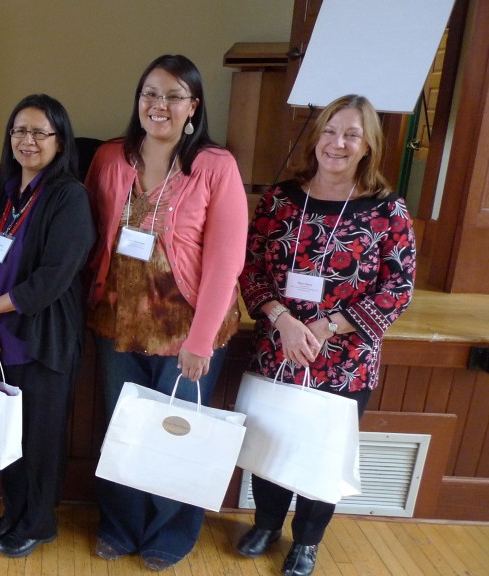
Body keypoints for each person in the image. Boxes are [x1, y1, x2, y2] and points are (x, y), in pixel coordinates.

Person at [236, 94, 416, 576]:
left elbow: (397, 289)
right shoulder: (279, 200)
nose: (337, 143)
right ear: (316, 137)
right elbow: (249, 269)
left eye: (351, 134)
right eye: (331, 131)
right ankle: (267, 523)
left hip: (346, 357)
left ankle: (308, 540)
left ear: (368, 146)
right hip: (279, 345)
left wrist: (327, 325)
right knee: (272, 440)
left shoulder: (387, 210)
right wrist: (282, 319)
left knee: (321, 451)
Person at [84, 54, 248, 570]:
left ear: (193, 106)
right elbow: (89, 237)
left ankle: (172, 531)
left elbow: (227, 258)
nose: (160, 105)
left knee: (178, 432)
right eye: (150, 94)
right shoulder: (111, 158)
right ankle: (120, 523)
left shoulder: (214, 166)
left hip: (188, 328)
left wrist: (200, 341)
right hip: (118, 321)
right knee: (122, 427)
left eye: (174, 96)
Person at [0, 94, 95, 558]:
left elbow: (52, 279)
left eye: (40, 132)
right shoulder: (0, 192)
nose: (28, 140)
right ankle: (13, 513)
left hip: (44, 338)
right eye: (20, 130)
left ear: (59, 142)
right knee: (7, 432)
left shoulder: (69, 197)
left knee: (40, 438)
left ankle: (39, 523)